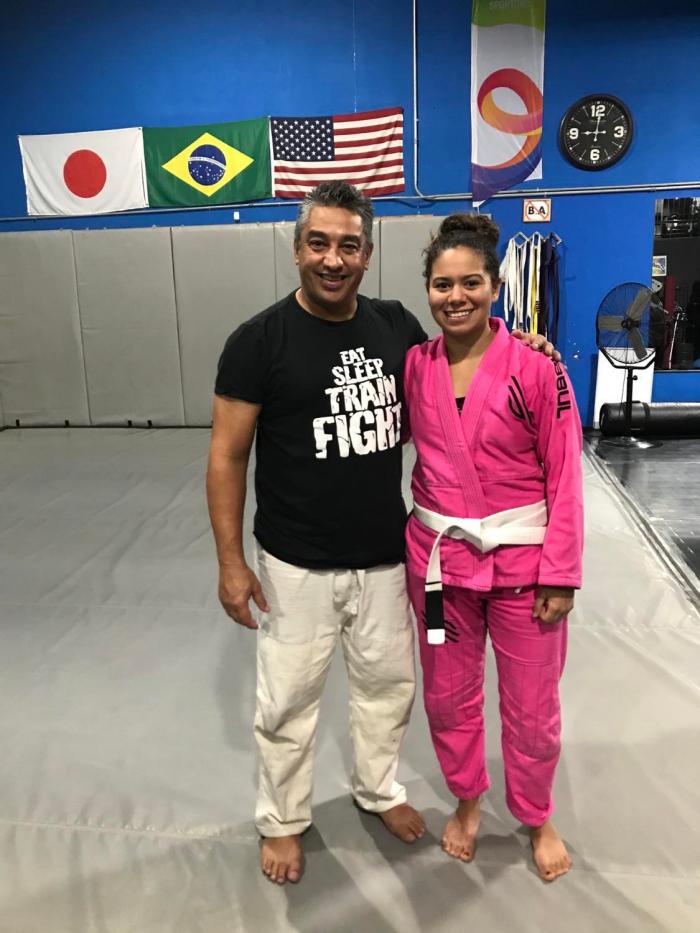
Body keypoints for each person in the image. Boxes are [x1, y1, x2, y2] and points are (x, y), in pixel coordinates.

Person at [206, 182, 557, 886]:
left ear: (367, 254)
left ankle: (377, 788)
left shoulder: (395, 327)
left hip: (387, 557)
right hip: (295, 562)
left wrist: (522, 343)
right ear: (297, 248)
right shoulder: (257, 342)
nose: (332, 259)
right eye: (318, 243)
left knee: (387, 689)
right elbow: (226, 455)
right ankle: (282, 819)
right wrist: (231, 562)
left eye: (348, 245)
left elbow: (462, 359)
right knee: (288, 699)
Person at [403, 214, 583, 883]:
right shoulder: (414, 365)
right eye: (442, 284)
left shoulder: (537, 367)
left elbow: (566, 474)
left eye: (471, 282)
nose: (457, 296)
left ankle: (536, 813)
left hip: (524, 569)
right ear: (428, 289)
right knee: (447, 698)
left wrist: (561, 573)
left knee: (532, 708)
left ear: (495, 286)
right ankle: (468, 798)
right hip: (440, 566)